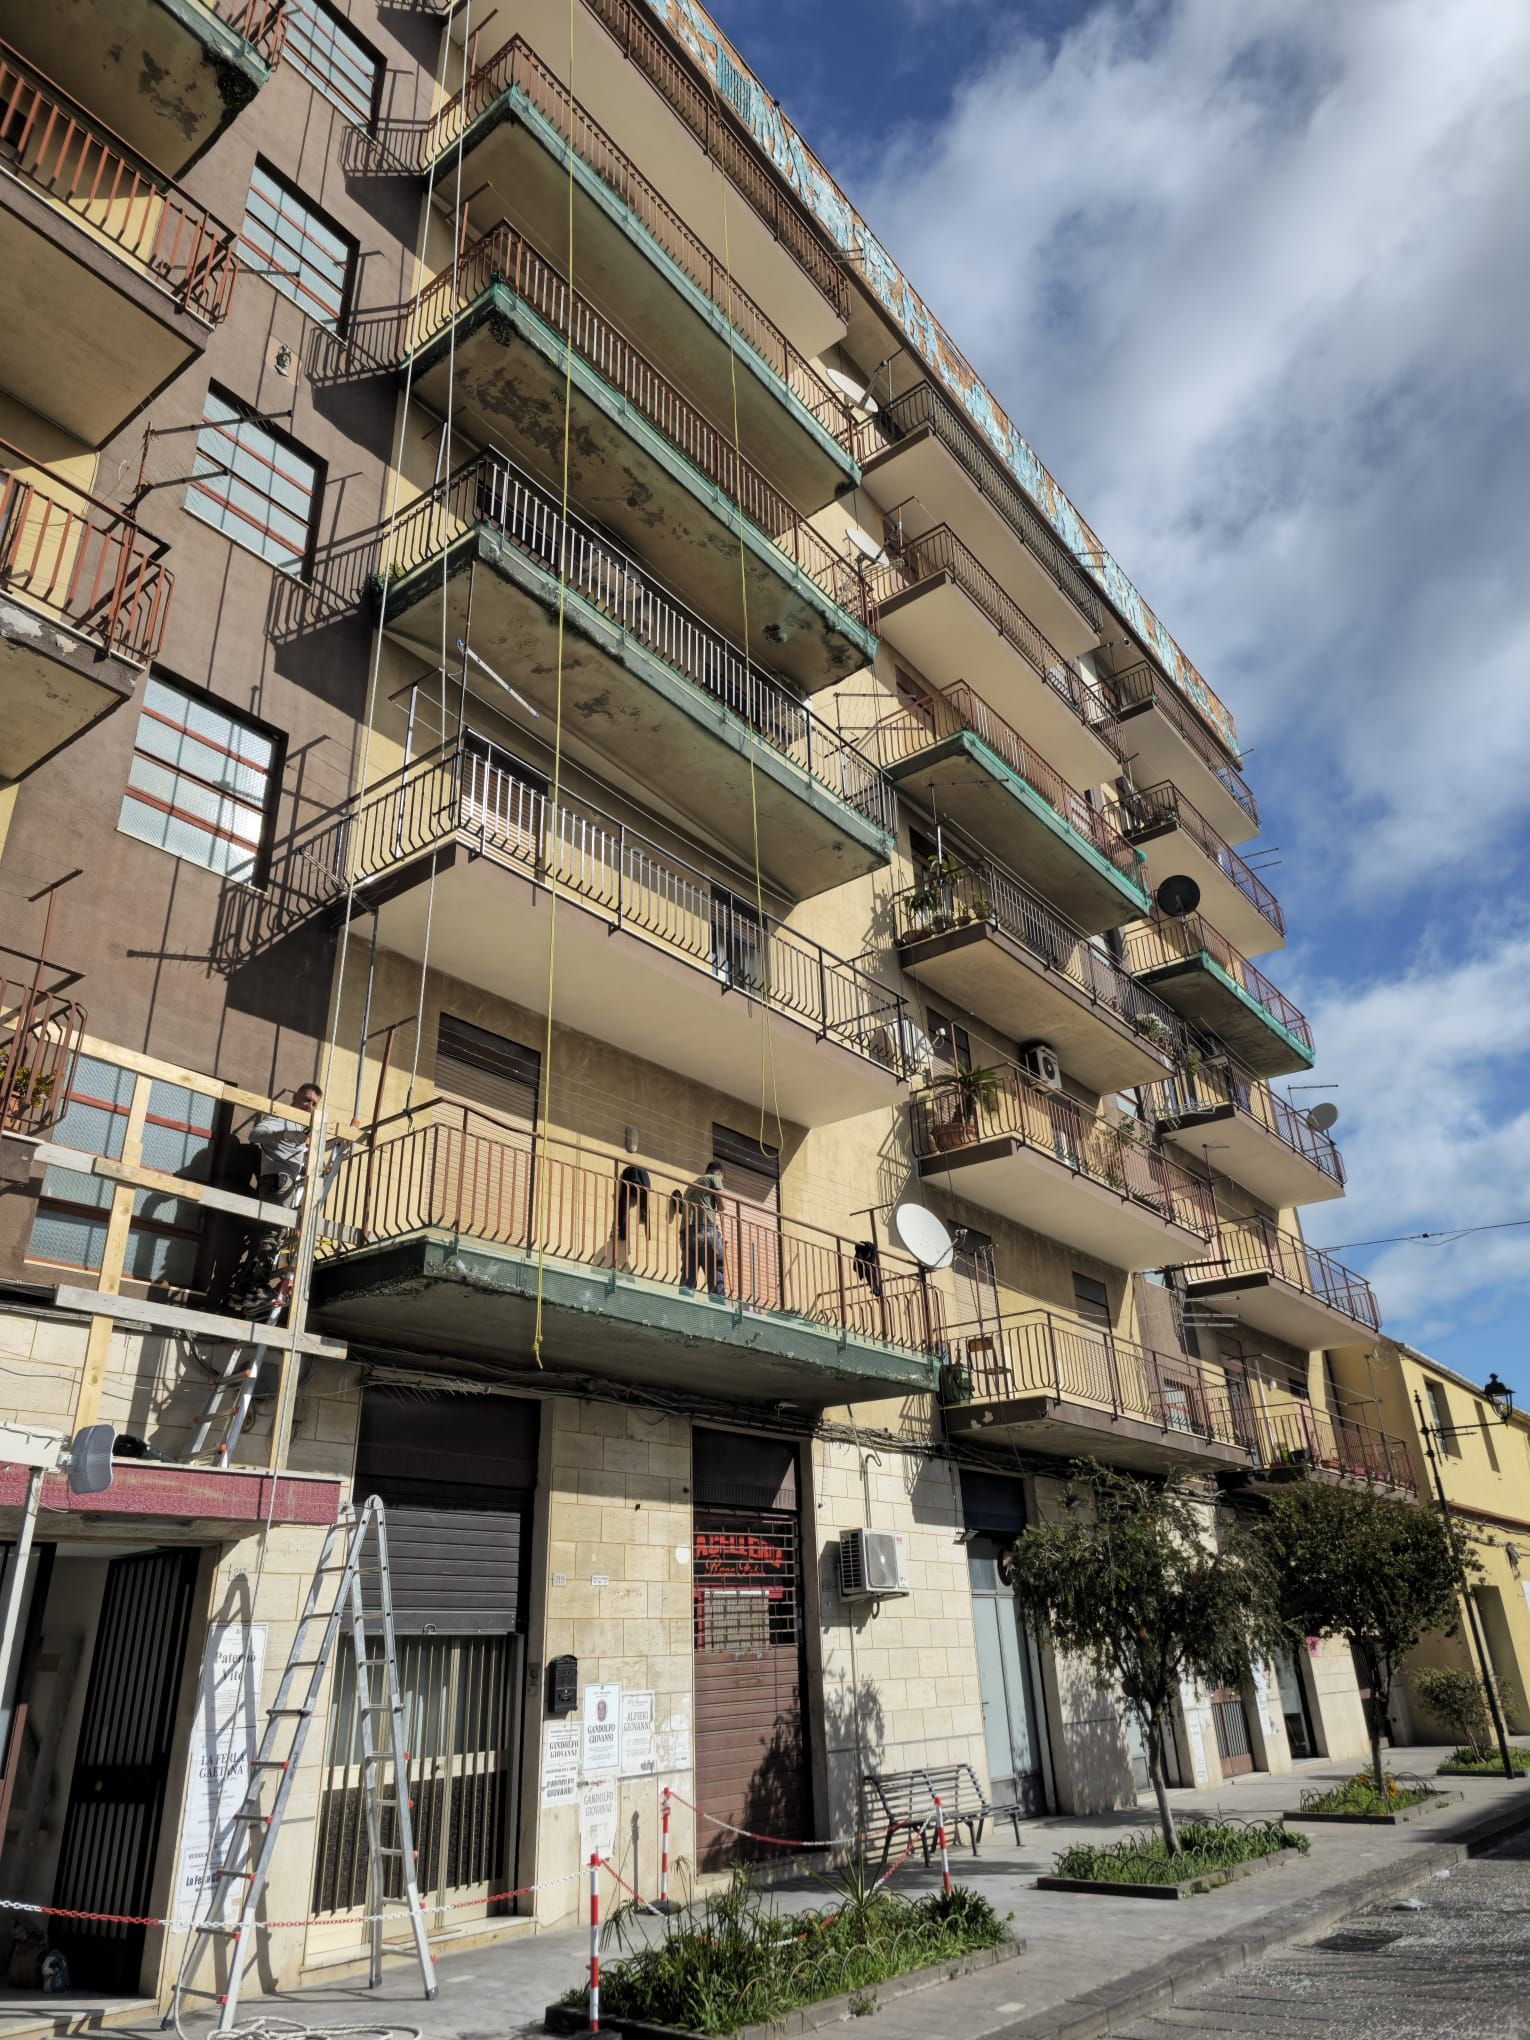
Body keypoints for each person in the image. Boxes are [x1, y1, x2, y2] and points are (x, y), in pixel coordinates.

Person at [230, 1084, 355, 1318]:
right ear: (295, 1098)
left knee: (266, 1235)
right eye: (306, 1100)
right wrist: (286, 1134)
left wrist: (319, 1166)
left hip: (283, 1178)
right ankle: (257, 1289)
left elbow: (297, 1156)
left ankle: (243, 1291)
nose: (310, 1106)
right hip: (279, 1179)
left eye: (314, 1103)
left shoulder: (302, 1125)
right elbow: (255, 1134)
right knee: (274, 1233)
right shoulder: (283, 1118)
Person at [678, 1160, 727, 1298]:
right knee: (716, 1269)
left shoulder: (691, 1185)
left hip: (686, 1234)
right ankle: (718, 1304)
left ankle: (683, 1304)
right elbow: (722, 1206)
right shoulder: (714, 1178)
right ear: (719, 1173)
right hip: (706, 1230)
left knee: (689, 1274)